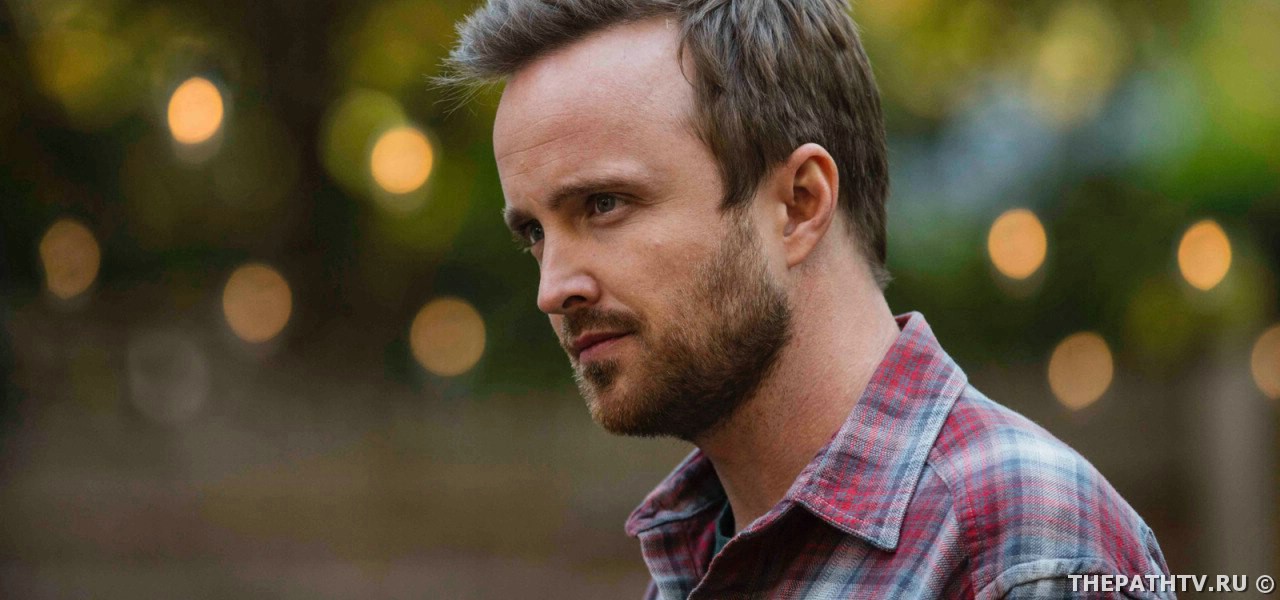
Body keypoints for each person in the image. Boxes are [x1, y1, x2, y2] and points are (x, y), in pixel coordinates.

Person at [444, 1, 1171, 597]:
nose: (552, 288)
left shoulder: (1025, 553)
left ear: (798, 204)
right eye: (534, 233)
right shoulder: (694, 555)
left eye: (603, 204)